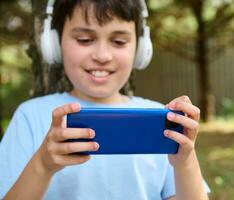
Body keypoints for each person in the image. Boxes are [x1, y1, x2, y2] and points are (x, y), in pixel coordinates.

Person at [0, 0, 210, 199]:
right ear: (53, 44)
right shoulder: (30, 115)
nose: (102, 55)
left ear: (140, 49)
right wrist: (43, 164)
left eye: (118, 42)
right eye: (84, 40)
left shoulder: (161, 119)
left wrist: (184, 162)